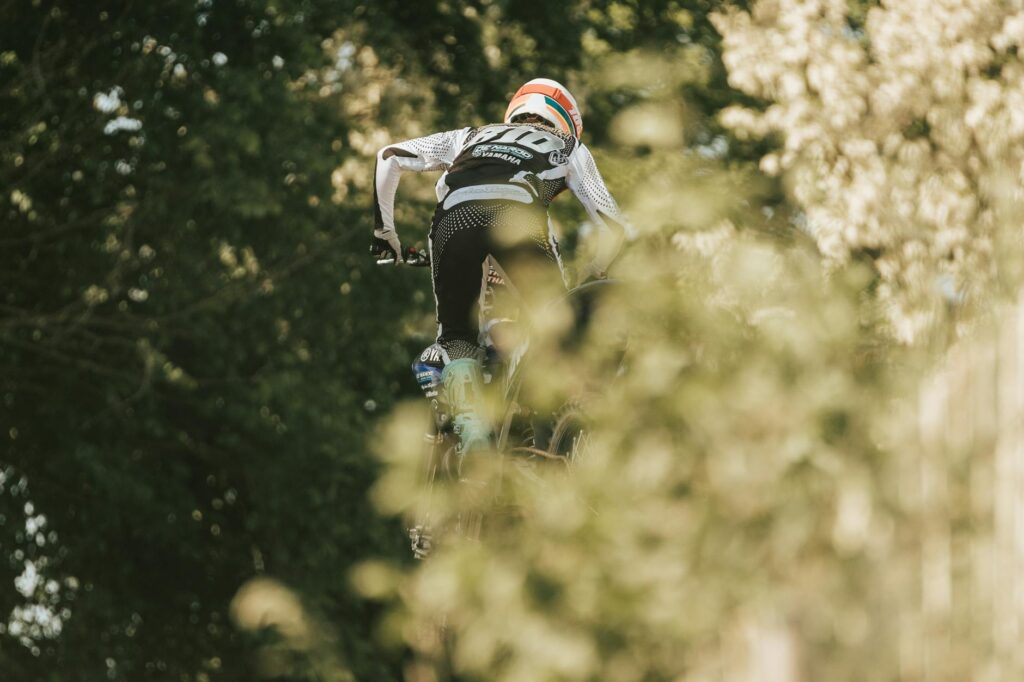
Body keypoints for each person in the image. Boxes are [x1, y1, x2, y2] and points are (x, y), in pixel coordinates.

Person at [371, 78, 629, 456]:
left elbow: (388, 155)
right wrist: (595, 271)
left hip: (452, 219)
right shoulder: (569, 145)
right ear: (567, 121)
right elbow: (614, 225)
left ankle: (472, 433)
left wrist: (385, 233)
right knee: (553, 322)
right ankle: (545, 425)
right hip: (517, 215)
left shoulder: (469, 136)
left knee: (456, 337)